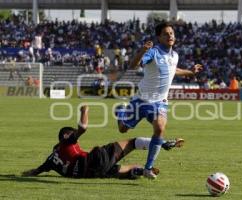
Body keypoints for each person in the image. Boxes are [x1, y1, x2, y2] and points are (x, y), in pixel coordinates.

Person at [115, 22, 202, 179]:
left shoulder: (174, 55)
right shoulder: (153, 52)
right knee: (123, 129)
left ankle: (148, 168)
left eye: (172, 33)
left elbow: (173, 69)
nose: (170, 36)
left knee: (160, 128)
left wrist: (190, 72)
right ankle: (120, 112)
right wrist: (142, 51)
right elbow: (133, 66)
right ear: (159, 37)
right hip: (141, 100)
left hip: (159, 102)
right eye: (166, 34)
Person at [22, 105, 184, 179]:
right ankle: (163, 144)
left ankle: (139, 171)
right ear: (66, 135)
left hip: (90, 174)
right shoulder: (67, 141)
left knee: (119, 168)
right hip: (95, 159)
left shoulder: (51, 160)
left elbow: (35, 171)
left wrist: (24, 174)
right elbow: (83, 128)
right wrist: (84, 110)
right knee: (133, 142)